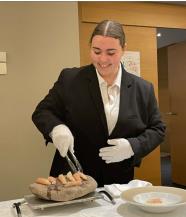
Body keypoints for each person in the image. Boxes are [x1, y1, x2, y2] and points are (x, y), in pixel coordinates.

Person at [32, 20, 165, 187]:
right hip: (72, 177)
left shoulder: (143, 88)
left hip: (118, 181)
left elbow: (158, 129)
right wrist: (56, 128)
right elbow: (42, 112)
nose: (102, 59)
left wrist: (132, 146)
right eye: (96, 51)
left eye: (111, 53)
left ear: (123, 49)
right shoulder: (70, 79)